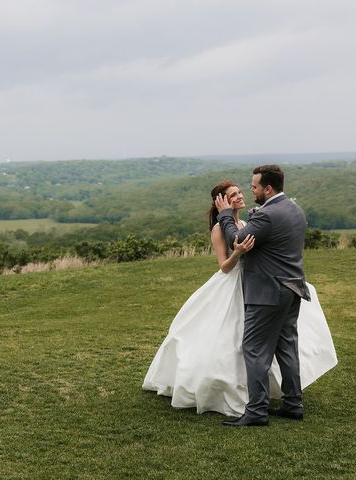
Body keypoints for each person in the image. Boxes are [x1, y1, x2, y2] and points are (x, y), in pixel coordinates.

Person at [142, 175, 337, 421]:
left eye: (245, 190)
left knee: (255, 347)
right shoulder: (229, 225)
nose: (243, 195)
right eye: (233, 194)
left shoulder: (250, 221)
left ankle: (259, 408)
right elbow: (225, 264)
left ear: (267, 188)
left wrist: (236, 235)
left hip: (261, 287)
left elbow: (243, 240)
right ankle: (286, 402)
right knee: (262, 344)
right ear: (221, 202)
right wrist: (238, 252)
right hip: (248, 284)